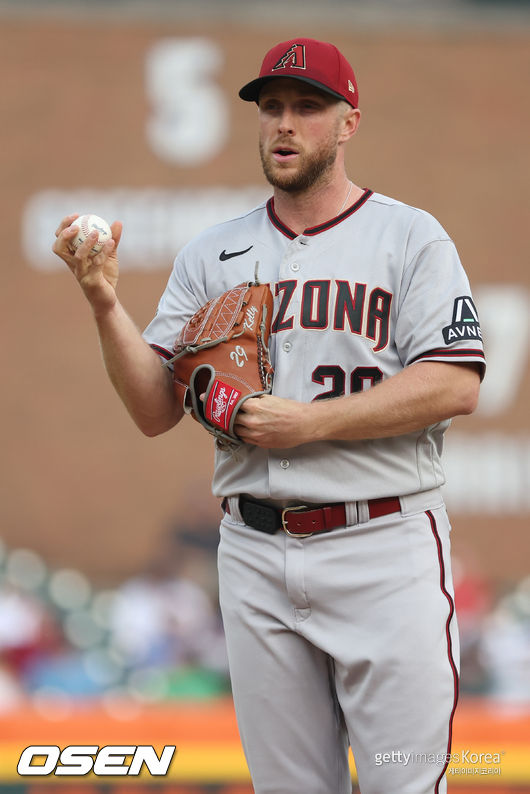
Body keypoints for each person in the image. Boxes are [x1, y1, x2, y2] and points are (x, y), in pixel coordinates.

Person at [53, 37, 485, 794]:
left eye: (308, 107)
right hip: (254, 552)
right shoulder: (212, 254)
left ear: (349, 122)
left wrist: (310, 423)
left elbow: (454, 383)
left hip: (383, 543)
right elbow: (155, 409)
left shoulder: (409, 237)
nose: (285, 123)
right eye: (272, 107)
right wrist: (103, 302)